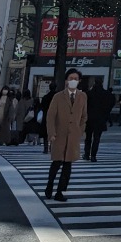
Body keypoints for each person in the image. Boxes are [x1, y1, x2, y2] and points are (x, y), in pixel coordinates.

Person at [45, 68, 87, 202]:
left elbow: (84, 116)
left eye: (75, 79)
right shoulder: (58, 96)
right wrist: (51, 133)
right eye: (70, 78)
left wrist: (80, 130)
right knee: (56, 162)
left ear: (79, 81)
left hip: (73, 135)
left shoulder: (82, 96)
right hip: (59, 134)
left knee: (68, 165)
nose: (73, 81)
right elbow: (50, 116)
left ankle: (60, 191)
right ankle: (50, 185)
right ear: (66, 80)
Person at [84, 80, 113, 161]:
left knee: (88, 137)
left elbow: (84, 106)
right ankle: (93, 155)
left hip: (89, 118)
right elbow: (109, 105)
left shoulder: (89, 93)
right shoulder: (106, 94)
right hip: (100, 118)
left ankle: (86, 154)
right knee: (97, 138)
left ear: (94, 83)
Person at [39, 81, 58, 153]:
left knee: (46, 133)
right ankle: (52, 147)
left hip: (47, 115)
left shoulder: (45, 97)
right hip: (56, 116)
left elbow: (42, 107)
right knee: (55, 132)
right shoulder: (58, 97)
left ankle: (45, 148)